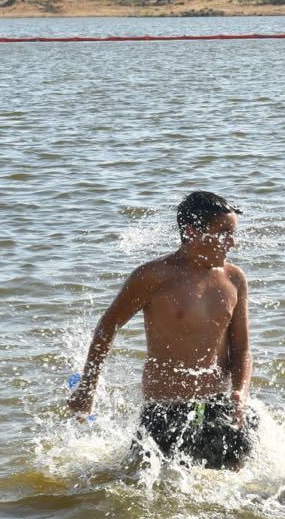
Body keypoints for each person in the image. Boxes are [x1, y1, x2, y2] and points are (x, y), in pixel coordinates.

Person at [67, 191, 256, 470]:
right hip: (166, 408)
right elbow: (108, 326)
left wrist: (240, 392)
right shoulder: (154, 276)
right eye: (224, 234)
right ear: (192, 232)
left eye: (233, 234)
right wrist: (88, 386)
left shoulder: (234, 279)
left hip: (221, 406)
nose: (233, 243)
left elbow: (241, 349)